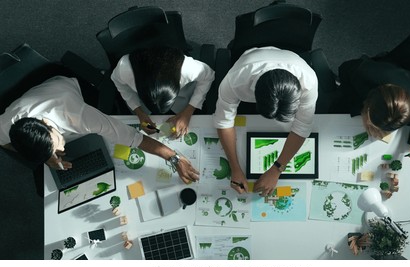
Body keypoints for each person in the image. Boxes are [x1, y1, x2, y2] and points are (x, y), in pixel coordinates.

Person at [0, 75, 199, 184]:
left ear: (47, 123)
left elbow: (135, 138)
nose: (60, 150)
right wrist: (48, 157)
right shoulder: (4, 127)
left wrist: (174, 158)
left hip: (69, 86)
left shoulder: (79, 116)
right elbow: (6, 144)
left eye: (55, 144)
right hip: (35, 95)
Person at [213, 46, 318, 196]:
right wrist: (235, 168)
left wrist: (277, 169)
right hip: (250, 57)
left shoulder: (309, 81)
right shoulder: (236, 80)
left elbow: (302, 127)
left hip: (293, 58)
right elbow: (224, 121)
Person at [338, 56, 410, 161]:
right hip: (384, 72)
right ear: (368, 105)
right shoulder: (363, 73)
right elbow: (343, 69)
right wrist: (360, 109)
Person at [111, 46, 215, 137]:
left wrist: (189, 111)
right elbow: (118, 82)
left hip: (183, 97)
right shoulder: (124, 69)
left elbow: (209, 75)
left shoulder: (188, 68)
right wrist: (139, 112)